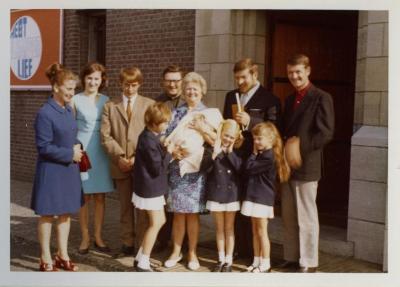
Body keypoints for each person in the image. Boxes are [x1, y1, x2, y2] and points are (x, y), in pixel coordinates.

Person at [279, 54, 335, 273]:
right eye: (290, 72)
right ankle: (292, 257)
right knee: (289, 216)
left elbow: (326, 133)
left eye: (298, 72)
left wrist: (298, 148)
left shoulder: (321, 97)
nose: (294, 76)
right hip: (287, 165)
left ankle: (309, 261)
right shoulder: (289, 100)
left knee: (307, 216)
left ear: (308, 71)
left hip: (307, 165)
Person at [223, 58, 281, 259]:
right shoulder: (231, 96)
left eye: (243, 77)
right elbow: (226, 123)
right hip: (236, 158)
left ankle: (254, 253)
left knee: (254, 209)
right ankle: (239, 248)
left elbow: (274, 128)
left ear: (255, 75)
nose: (239, 82)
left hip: (257, 161)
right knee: (238, 203)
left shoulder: (270, 99)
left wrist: (251, 121)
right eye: (237, 78)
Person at [163, 72, 220, 271]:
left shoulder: (210, 113)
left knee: (192, 213)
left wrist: (202, 128)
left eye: (195, 88)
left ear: (202, 91)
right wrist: (174, 151)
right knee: (178, 213)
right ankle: (175, 252)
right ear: (183, 92)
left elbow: (217, 142)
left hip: (197, 169)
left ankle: (192, 253)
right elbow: (165, 136)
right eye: (188, 89)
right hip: (178, 168)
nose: (191, 92)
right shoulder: (177, 113)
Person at [31, 63, 83, 271]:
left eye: (73, 89)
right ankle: (45, 257)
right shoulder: (45, 113)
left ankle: (63, 254)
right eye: (69, 89)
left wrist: (78, 144)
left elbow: (69, 135)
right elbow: (43, 147)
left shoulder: (68, 109)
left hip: (68, 169)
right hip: (51, 170)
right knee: (47, 214)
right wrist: (71, 154)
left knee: (65, 213)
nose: (72, 93)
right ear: (56, 88)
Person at [100, 67, 155, 257]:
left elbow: (151, 133)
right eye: (126, 85)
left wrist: (135, 158)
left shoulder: (149, 104)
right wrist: (119, 157)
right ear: (120, 84)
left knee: (141, 207)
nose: (129, 89)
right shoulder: (110, 106)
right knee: (124, 206)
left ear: (139, 84)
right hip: (120, 163)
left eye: (133, 85)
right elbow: (105, 136)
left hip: (141, 164)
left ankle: (141, 244)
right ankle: (127, 242)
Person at [71, 62, 114, 255]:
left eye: (97, 78)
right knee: (85, 196)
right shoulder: (75, 99)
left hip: (101, 151)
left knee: (100, 196)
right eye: (89, 78)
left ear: (101, 81)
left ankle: (98, 236)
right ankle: (85, 237)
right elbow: (70, 127)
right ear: (84, 79)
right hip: (83, 150)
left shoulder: (107, 100)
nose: (93, 82)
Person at [241, 122, 290, 273]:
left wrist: (253, 154)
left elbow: (248, 168)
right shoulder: (263, 154)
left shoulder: (268, 157)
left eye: (260, 139)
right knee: (255, 231)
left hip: (262, 198)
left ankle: (266, 263)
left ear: (271, 139)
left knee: (262, 232)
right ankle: (256, 260)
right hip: (253, 196)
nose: (256, 142)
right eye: (255, 138)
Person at [131, 102, 173, 272]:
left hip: (149, 187)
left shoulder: (148, 136)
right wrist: (169, 151)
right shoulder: (149, 140)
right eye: (165, 122)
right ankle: (143, 262)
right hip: (150, 188)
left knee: (158, 221)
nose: (167, 125)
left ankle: (140, 256)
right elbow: (157, 168)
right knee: (156, 223)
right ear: (155, 123)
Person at [201, 119, 244, 272]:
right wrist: (214, 154)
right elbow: (204, 168)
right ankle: (220, 259)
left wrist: (230, 152)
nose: (228, 139)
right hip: (216, 194)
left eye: (232, 138)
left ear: (236, 139)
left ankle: (229, 261)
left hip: (231, 195)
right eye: (226, 136)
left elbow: (240, 169)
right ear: (221, 134)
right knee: (219, 228)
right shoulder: (212, 149)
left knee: (229, 228)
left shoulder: (237, 152)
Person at [154, 65, 185, 252]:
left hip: (183, 158)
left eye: (176, 80)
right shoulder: (157, 102)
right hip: (164, 158)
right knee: (164, 201)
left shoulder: (188, 101)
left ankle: (182, 243)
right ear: (163, 82)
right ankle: (163, 240)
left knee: (181, 203)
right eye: (169, 80)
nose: (173, 84)